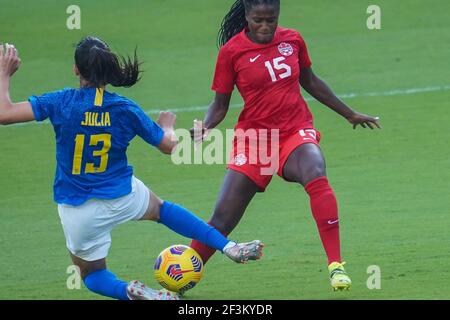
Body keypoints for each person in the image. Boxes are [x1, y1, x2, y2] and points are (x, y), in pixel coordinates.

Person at [0, 37, 264, 300]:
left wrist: (4, 73)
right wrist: (168, 127)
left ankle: (130, 292)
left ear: (76, 70)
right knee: (162, 210)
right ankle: (228, 246)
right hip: (123, 195)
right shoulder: (124, 108)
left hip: (78, 208)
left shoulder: (60, 101)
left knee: (91, 274)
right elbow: (169, 146)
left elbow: (4, 113)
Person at [189, 0, 381, 291]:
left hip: (295, 131)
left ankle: (336, 266)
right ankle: (180, 278)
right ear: (246, 16)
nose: (265, 27)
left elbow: (311, 82)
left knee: (315, 170)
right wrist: (206, 126)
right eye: (258, 20)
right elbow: (220, 104)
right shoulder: (231, 53)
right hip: (255, 142)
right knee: (222, 220)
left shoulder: (292, 39)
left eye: (271, 19)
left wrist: (349, 113)